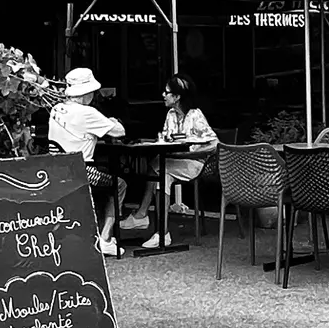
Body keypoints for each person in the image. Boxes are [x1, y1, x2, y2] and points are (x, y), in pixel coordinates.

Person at [121, 75, 219, 246]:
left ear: (177, 96)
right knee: (161, 171)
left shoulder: (195, 115)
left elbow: (215, 144)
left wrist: (189, 155)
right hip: (176, 161)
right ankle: (161, 232)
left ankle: (143, 216)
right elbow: (168, 140)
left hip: (195, 163)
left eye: (167, 92)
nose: (163, 95)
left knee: (159, 166)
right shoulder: (171, 114)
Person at [49, 67, 128, 256]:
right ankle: (105, 238)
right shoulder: (87, 113)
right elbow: (119, 132)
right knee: (119, 185)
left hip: (57, 171)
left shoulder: (56, 109)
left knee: (105, 182)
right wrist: (111, 121)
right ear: (87, 92)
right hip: (83, 172)